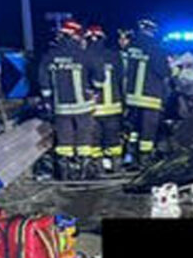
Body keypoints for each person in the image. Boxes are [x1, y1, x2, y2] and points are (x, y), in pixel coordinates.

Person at [37, 20, 97, 180]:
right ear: (74, 35)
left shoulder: (50, 55)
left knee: (64, 140)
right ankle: (83, 172)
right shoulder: (84, 54)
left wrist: (48, 97)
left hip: (61, 107)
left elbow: (43, 79)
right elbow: (98, 76)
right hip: (83, 105)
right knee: (84, 137)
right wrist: (94, 88)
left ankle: (65, 174)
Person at [121, 18, 171, 170]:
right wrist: (175, 70)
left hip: (131, 97)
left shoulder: (131, 46)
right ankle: (145, 159)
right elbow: (163, 71)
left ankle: (130, 156)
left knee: (134, 129)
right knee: (148, 130)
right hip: (150, 96)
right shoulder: (155, 48)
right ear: (152, 30)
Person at [83, 25, 124, 173]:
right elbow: (120, 77)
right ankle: (116, 166)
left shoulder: (84, 56)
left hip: (92, 108)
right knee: (113, 139)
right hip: (113, 106)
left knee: (94, 141)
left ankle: (98, 168)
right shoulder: (114, 55)